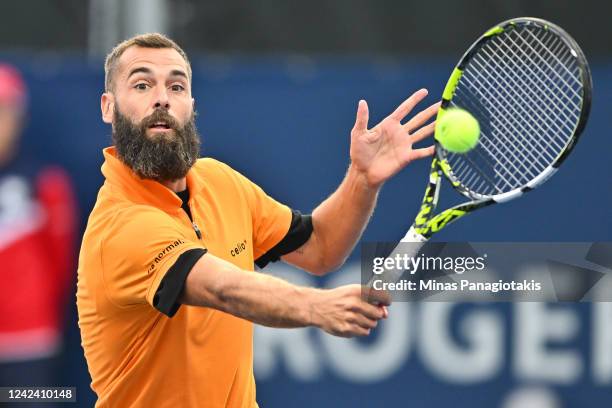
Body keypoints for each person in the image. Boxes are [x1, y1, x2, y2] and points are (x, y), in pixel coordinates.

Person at [77, 33, 438, 408]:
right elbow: (222, 289)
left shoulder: (219, 181)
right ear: (109, 106)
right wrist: (317, 307)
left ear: (191, 104)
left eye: (177, 85)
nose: (162, 97)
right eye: (141, 84)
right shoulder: (119, 225)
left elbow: (320, 248)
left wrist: (361, 180)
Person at [0, 64, 77, 396]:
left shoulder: (46, 184)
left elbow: (62, 264)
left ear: (19, 119)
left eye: (4, 112)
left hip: (29, 341)